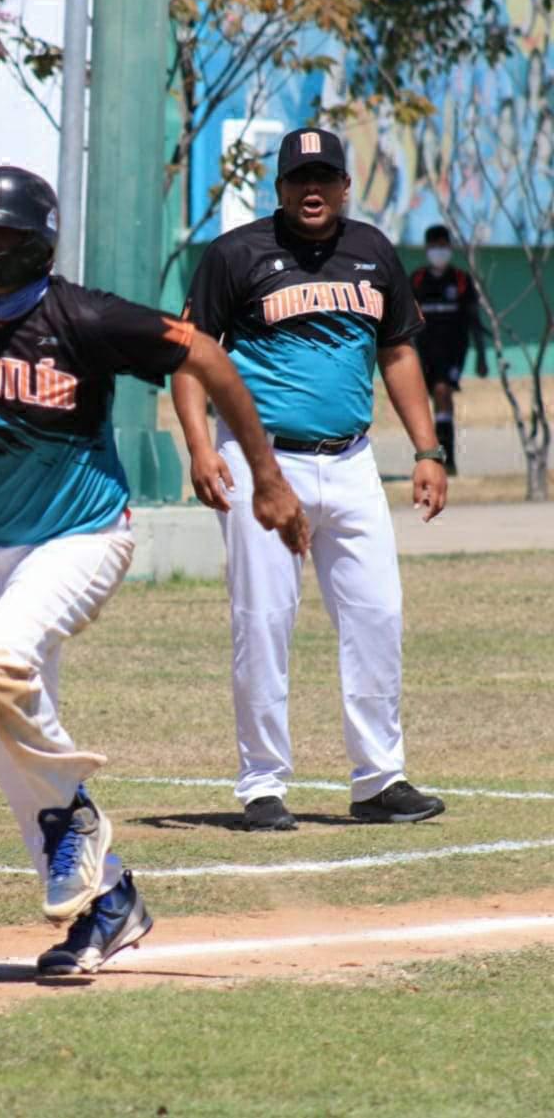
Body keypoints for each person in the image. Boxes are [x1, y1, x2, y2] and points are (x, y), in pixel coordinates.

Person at [0, 164, 308, 977]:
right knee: (3, 741)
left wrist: (269, 479)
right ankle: (110, 903)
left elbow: (207, 356)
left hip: (84, 536)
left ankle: (75, 815)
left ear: (36, 245)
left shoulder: (83, 316)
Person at [175, 128, 448, 832]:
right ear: (280, 187)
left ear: (346, 185)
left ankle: (379, 778)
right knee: (265, 618)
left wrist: (427, 449)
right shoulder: (237, 254)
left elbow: (397, 354)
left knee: (377, 615)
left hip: (352, 460)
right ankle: (262, 784)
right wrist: (202, 448)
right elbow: (191, 362)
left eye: (325, 175)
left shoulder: (372, 252)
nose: (313, 189)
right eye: (300, 178)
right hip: (263, 461)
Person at [410, 224, 490, 476]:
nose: (439, 251)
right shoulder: (416, 280)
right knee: (431, 400)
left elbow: (474, 319)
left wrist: (481, 355)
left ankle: (447, 457)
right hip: (424, 350)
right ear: (427, 249)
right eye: (434, 246)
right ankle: (434, 453)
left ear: (450, 248)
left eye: (443, 246)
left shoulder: (461, 280)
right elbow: (404, 320)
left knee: (443, 392)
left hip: (454, 349)